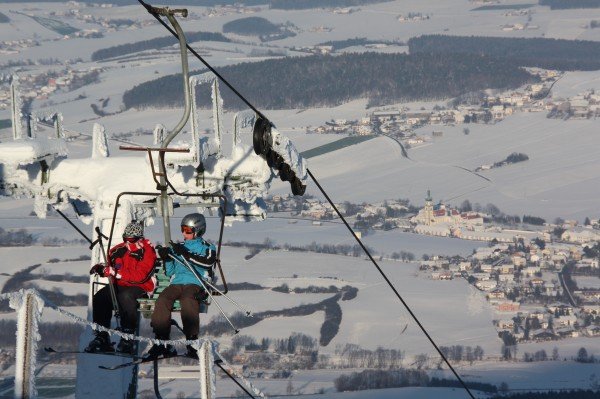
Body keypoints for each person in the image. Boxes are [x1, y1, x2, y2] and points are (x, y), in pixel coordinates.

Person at [148, 213, 216, 359]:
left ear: (198, 230)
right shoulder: (178, 247)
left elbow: (207, 263)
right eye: (182, 229)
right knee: (163, 299)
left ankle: (191, 340)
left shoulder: (208, 247)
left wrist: (185, 254)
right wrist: (167, 257)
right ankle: (162, 340)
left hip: (195, 282)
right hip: (177, 282)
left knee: (188, 298)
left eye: (188, 230)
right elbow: (170, 271)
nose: (184, 233)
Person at [85, 221, 157, 354]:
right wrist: (102, 269)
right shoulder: (117, 251)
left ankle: (127, 338)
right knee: (100, 297)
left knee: (126, 297)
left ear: (140, 238)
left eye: (133, 239)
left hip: (141, 287)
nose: (129, 242)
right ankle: (102, 336)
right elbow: (112, 269)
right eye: (127, 239)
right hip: (120, 285)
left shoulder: (147, 250)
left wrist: (115, 273)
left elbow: (141, 276)